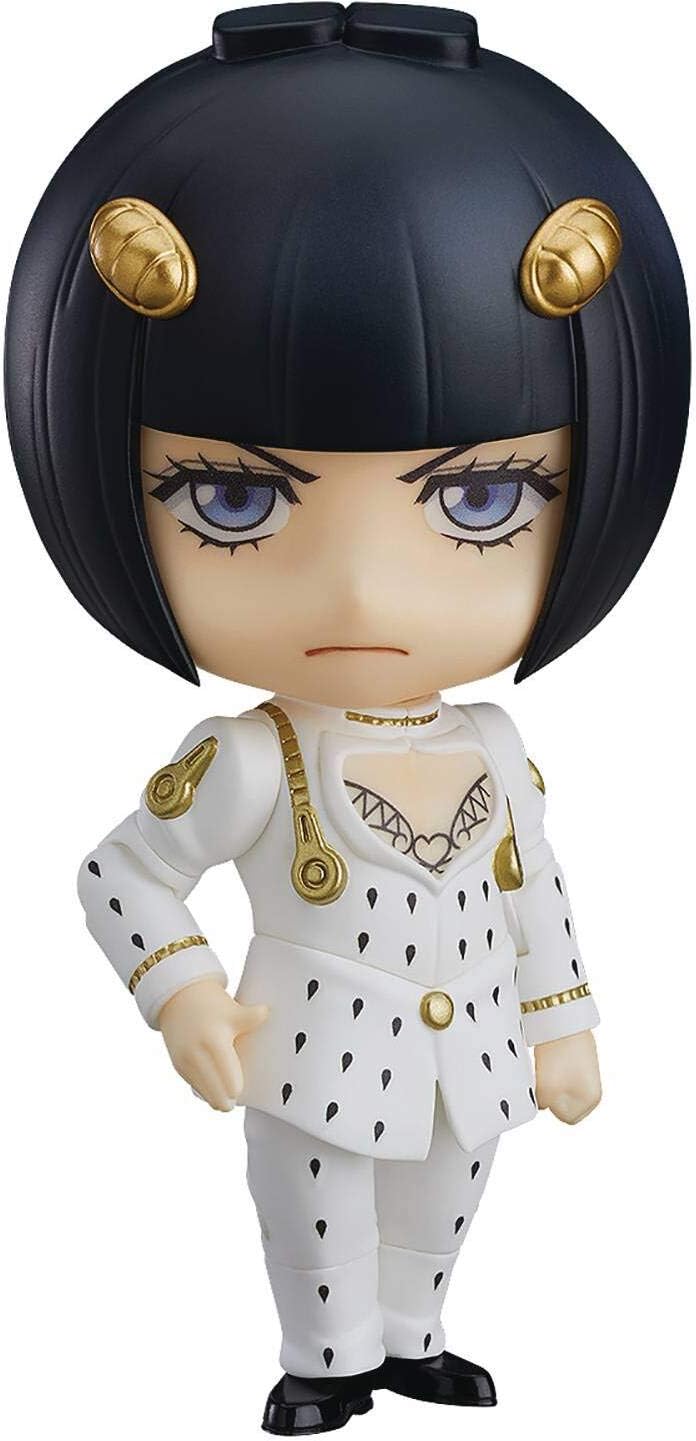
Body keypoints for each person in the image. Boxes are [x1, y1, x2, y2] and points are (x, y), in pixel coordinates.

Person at [5, 5, 689, 1434]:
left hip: (473, 1056)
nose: (366, 591)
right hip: (311, 1054)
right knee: (315, 1209)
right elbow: (123, 872)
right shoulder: (253, 758)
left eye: (480, 498)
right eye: (234, 498)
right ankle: (326, 1356)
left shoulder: (493, 749)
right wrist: (184, 993)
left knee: (445, 1200)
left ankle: (416, 1335)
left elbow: (534, 889)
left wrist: (565, 1022)